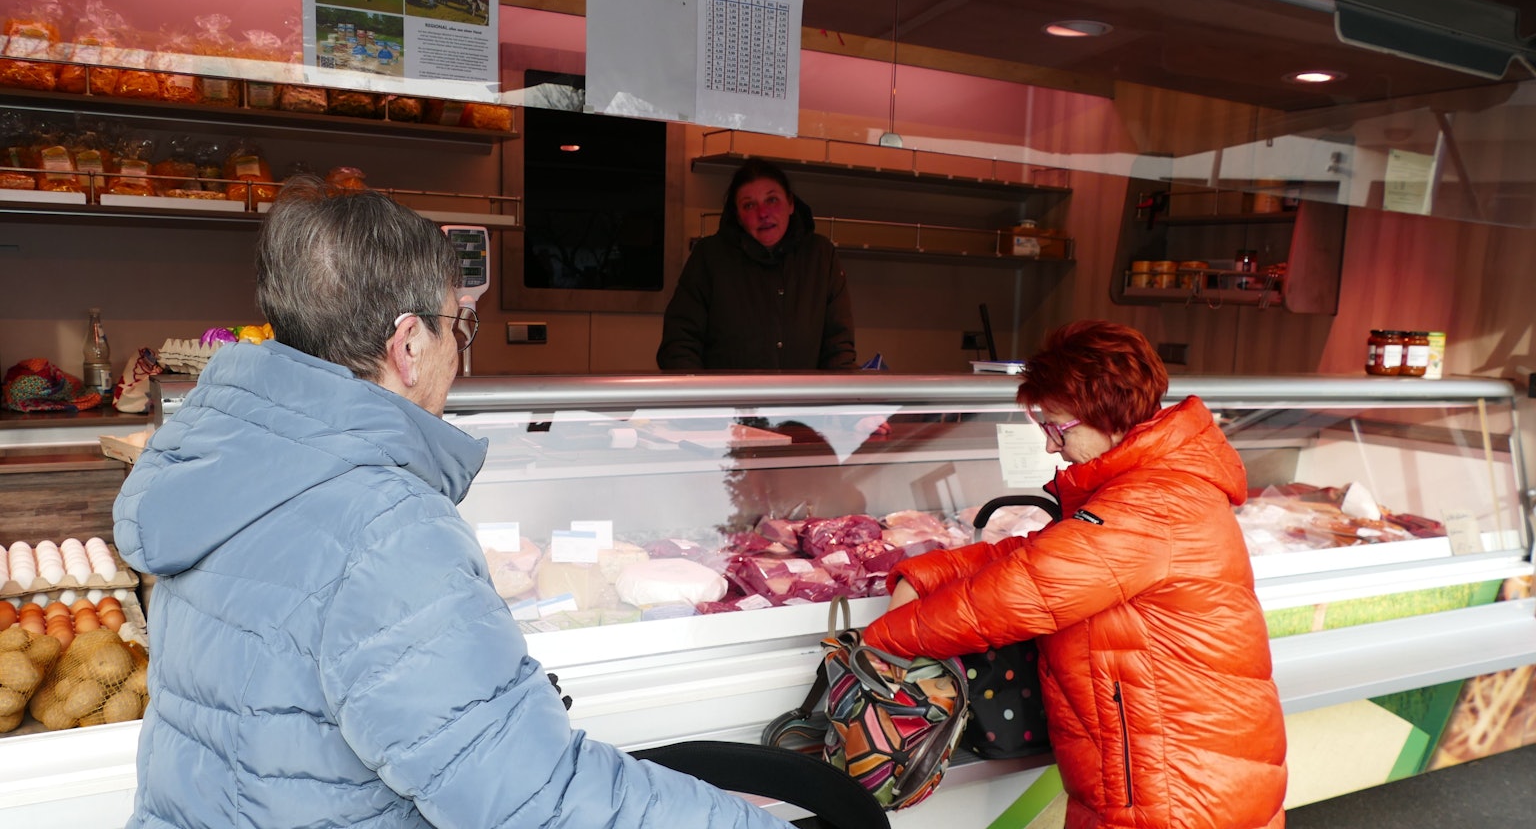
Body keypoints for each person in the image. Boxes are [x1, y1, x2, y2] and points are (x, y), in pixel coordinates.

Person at [113, 178, 795, 829]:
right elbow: (533, 801)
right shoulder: (385, 530)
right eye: (456, 327)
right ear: (409, 344)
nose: (457, 352)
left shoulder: (230, 466)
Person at [862, 320, 1287, 829]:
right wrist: (926, 575)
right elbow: (1041, 555)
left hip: (1177, 788)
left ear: (1108, 414)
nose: (1050, 447)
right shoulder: (1146, 485)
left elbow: (1023, 591)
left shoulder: (1156, 500)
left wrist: (880, 639)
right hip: (1165, 770)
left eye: (1056, 428)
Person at [657, 157, 855, 371]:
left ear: (790, 204)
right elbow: (679, 344)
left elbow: (839, 347)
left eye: (772, 200)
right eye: (749, 205)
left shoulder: (821, 255)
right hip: (725, 392)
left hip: (805, 393)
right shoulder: (709, 257)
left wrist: (839, 390)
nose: (763, 213)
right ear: (738, 216)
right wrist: (699, 390)